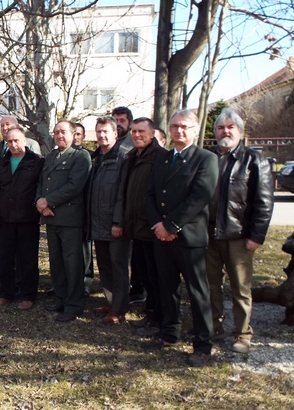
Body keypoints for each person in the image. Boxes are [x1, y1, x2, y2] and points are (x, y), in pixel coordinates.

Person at [141, 110, 218, 367]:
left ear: (195, 130)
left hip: (189, 237)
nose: (179, 130)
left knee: (198, 292)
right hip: (162, 236)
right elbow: (150, 194)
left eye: (184, 126)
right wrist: (158, 225)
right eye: (174, 126)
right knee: (167, 287)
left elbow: (199, 197)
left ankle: (203, 345)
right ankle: (169, 333)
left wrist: (171, 225)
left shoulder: (206, 159)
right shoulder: (162, 159)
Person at [207, 108, 274, 353]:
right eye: (220, 128)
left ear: (240, 131)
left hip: (239, 236)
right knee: (210, 285)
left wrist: (256, 235)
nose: (225, 131)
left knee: (240, 288)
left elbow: (264, 202)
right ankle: (213, 327)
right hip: (209, 235)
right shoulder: (208, 158)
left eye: (230, 127)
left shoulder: (254, 160)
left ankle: (243, 334)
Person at [36, 120, 92, 323]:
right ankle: (61, 299)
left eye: (63, 132)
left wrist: (48, 201)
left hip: (70, 220)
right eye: (56, 132)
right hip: (51, 218)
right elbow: (42, 182)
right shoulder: (52, 156)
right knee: (57, 263)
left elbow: (74, 186)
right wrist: (39, 202)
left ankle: (74, 305)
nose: (59, 135)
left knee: (73, 264)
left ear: (73, 134)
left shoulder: (81, 156)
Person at [0, 126, 44, 310]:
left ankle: (28, 295)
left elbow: (42, 188)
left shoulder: (36, 162)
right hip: (5, 220)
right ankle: (7, 293)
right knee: (5, 259)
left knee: (28, 260)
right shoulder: (2, 163)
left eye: (16, 140)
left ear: (24, 141)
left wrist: (40, 213)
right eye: (9, 141)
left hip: (28, 219)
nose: (13, 144)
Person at [0, 115, 41, 281]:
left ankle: (26, 288)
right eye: (1, 125)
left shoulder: (35, 156)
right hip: (4, 215)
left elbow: (39, 184)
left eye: (8, 124)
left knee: (27, 257)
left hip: (27, 215)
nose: (4, 128)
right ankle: (7, 287)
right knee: (5, 255)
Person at [121, 118, 167, 335]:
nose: (137, 135)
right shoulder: (132, 156)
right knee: (145, 276)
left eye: (141, 131)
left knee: (156, 277)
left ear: (153, 133)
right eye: (133, 131)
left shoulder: (160, 157)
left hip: (151, 227)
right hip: (135, 227)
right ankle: (150, 315)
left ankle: (158, 320)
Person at [89, 116, 132, 324]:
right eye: (99, 131)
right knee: (104, 266)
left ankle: (119, 309)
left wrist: (118, 222)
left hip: (115, 225)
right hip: (98, 223)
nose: (102, 135)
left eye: (106, 131)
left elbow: (123, 194)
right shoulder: (96, 157)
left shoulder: (123, 157)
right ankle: (110, 302)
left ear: (115, 133)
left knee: (119, 267)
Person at [73, 121, 95, 297]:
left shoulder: (90, 156)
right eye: (73, 133)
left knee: (84, 248)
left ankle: (86, 282)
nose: (75, 137)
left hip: (86, 207)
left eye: (78, 134)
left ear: (84, 136)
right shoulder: (59, 156)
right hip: (68, 211)